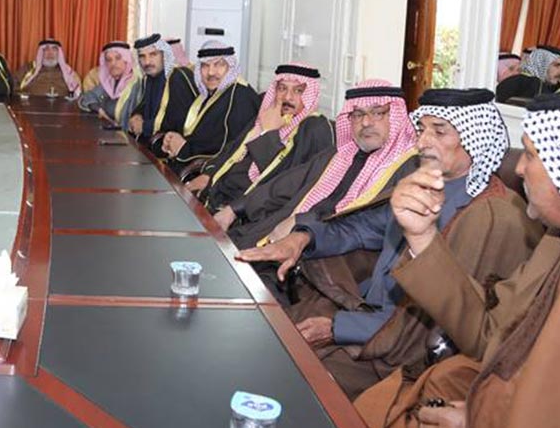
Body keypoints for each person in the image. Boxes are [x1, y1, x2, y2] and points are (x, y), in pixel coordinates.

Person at [237, 88, 538, 398]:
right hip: (361, 310)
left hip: (397, 353)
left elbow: (449, 319)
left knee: (286, 383)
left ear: (476, 138)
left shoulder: (492, 217)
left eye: (439, 131)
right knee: (257, 342)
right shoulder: (425, 184)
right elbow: (361, 228)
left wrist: (337, 327)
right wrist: (302, 239)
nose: (422, 143)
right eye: (422, 130)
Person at [354, 93, 560, 427]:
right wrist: (422, 237)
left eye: (531, 155)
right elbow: (488, 333)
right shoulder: (553, 243)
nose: (519, 168)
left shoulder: (494, 216)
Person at [220, 80, 419, 251]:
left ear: (396, 116)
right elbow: (285, 185)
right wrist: (235, 209)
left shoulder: (408, 168)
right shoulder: (339, 154)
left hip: (323, 255)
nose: (366, 122)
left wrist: (303, 224)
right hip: (278, 232)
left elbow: (370, 225)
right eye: (358, 114)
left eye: (377, 113)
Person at [192, 63, 333, 211]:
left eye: (298, 91)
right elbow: (233, 148)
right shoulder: (270, 115)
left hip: (247, 210)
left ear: (311, 94)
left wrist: (268, 132)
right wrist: (209, 174)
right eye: (282, 88)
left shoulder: (313, 129)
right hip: (219, 193)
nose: (287, 97)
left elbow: (280, 181)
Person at [160, 41, 259, 175]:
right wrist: (174, 140)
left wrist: (184, 148)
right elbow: (203, 135)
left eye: (218, 64)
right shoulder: (210, 95)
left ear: (230, 67)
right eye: (205, 66)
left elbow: (233, 148)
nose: (211, 72)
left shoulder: (241, 96)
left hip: (212, 173)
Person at [126, 33, 197, 154]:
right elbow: (145, 104)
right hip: (151, 144)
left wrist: (145, 126)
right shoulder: (149, 78)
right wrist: (137, 115)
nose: (147, 62)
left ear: (164, 55)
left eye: (153, 54)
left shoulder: (177, 76)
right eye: (142, 56)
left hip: (173, 148)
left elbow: (180, 120)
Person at [78, 41, 143, 126]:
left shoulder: (137, 82)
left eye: (118, 58)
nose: (113, 63)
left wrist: (103, 106)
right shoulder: (109, 82)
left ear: (127, 60)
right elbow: (88, 96)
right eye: (109, 60)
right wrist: (97, 108)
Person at [15, 39, 82, 98]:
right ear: (41, 52)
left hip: (61, 106)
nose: (50, 53)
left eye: (54, 49)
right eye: (46, 49)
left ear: (59, 53)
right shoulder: (29, 68)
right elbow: (13, 86)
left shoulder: (67, 71)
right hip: (31, 106)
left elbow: (77, 92)